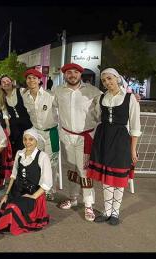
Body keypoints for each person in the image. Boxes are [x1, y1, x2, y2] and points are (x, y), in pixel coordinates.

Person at [87, 68, 141, 226]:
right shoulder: (102, 98)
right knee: (106, 178)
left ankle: (115, 212)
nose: (107, 82)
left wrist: (133, 150)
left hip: (120, 140)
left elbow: (135, 126)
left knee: (118, 178)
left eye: (110, 78)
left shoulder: (130, 98)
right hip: (103, 138)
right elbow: (97, 116)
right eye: (104, 80)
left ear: (117, 78)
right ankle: (107, 211)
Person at [53, 63, 102, 222]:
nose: (72, 75)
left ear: (81, 74)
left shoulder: (93, 91)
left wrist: (129, 97)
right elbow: (44, 103)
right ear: (64, 75)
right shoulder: (58, 91)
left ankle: (88, 204)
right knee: (72, 168)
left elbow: (110, 102)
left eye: (75, 72)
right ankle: (73, 198)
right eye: (68, 73)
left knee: (84, 171)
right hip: (67, 136)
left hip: (85, 137)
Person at [0, 128, 52, 235]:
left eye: (31, 139)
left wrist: (33, 197)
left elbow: (47, 183)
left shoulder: (43, 157)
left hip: (33, 194)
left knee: (12, 208)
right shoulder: (19, 153)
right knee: (0, 206)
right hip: (17, 191)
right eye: (25, 139)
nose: (27, 142)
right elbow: (14, 175)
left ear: (36, 141)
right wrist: (7, 194)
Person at [21, 68, 59, 201]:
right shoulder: (25, 97)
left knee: (51, 163)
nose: (31, 80)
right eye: (29, 78)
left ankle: (49, 190)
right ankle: (38, 186)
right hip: (36, 133)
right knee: (37, 161)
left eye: (34, 78)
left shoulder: (50, 96)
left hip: (51, 133)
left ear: (39, 80)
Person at [0, 74, 32, 157]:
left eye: (7, 81)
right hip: (15, 126)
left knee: (29, 145)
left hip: (27, 123)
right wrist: (8, 126)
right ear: (1, 86)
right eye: (3, 82)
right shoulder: (2, 97)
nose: (6, 83)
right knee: (18, 148)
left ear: (12, 82)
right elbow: (5, 113)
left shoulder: (21, 91)